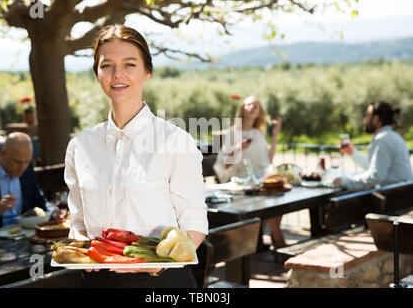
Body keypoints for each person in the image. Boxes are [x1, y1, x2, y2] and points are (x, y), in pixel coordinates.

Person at [64, 24, 208, 287]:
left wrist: (154, 267)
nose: (117, 73)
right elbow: (78, 222)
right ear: (97, 73)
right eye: (107, 65)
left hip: (162, 283)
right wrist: (81, 245)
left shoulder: (176, 142)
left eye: (129, 64)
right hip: (98, 282)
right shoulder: (80, 147)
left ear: (147, 71)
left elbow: (194, 224)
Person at [213, 96, 287, 248]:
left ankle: (276, 238)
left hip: (261, 181)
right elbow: (223, 165)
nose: (251, 108)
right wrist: (238, 148)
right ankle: (278, 240)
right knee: (272, 202)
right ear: (242, 108)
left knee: (277, 201)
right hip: (243, 184)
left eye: (255, 106)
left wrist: (275, 134)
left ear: (259, 111)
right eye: (248, 105)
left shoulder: (258, 133)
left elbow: (269, 159)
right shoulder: (233, 133)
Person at [333, 101, 413, 190]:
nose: (364, 119)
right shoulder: (392, 136)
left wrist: (344, 181)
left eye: (367, 115)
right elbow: (375, 167)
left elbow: (375, 176)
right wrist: (352, 153)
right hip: (401, 197)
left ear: (376, 119)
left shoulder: (383, 139)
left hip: (394, 199)